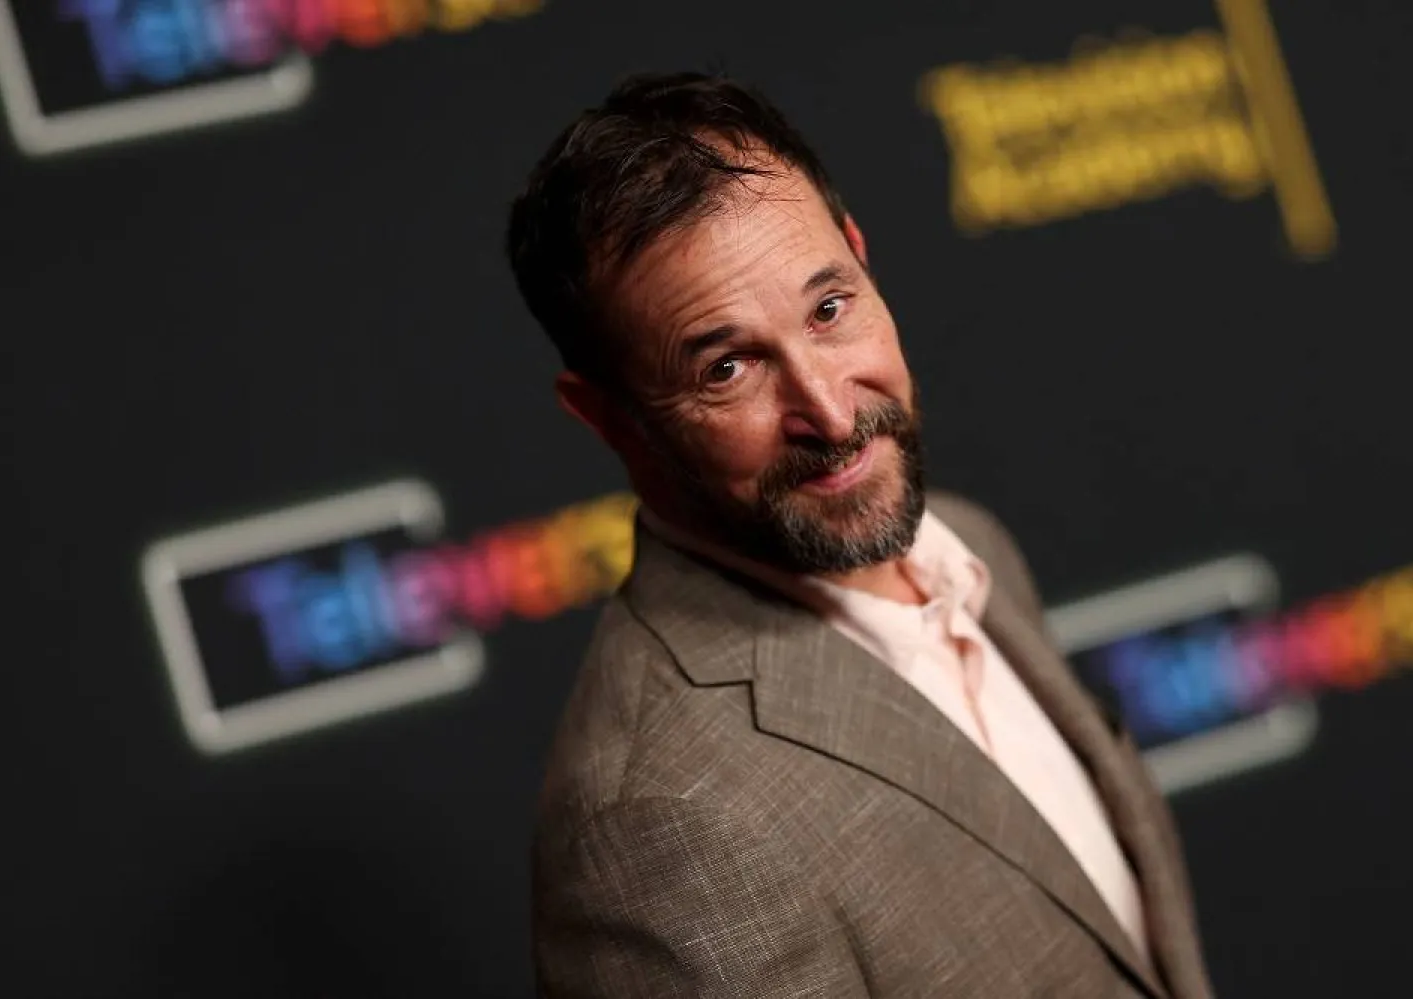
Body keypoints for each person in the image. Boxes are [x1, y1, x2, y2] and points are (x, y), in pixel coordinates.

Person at [507, 71, 1214, 998]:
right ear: (606, 417)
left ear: (859, 254)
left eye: (829, 309)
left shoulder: (967, 544)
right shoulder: (659, 826)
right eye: (728, 367)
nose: (832, 415)